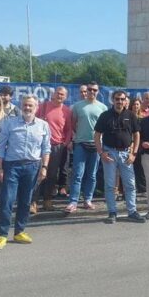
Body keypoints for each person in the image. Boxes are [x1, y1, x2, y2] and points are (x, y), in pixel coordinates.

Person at [0, 95, 51, 250]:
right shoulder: (9, 123)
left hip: (33, 166)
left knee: (26, 201)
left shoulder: (43, 125)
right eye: (25, 105)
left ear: (36, 107)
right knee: (7, 200)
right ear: (21, 106)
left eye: (31, 105)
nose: (27, 108)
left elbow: (46, 149)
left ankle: (19, 232)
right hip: (12, 166)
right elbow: (0, 147)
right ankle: (2, 235)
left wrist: (44, 167)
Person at [95, 90, 146, 223]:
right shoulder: (105, 115)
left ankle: (132, 211)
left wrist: (134, 153)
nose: (119, 101)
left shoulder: (131, 115)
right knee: (110, 185)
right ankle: (112, 213)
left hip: (126, 154)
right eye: (117, 99)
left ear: (125, 101)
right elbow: (97, 135)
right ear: (113, 100)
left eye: (122, 99)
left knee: (130, 184)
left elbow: (137, 134)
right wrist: (101, 153)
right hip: (109, 153)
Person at [66, 82, 108, 213]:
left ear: (98, 91)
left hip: (96, 145)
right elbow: (73, 124)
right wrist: (79, 136)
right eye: (89, 89)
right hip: (80, 144)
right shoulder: (77, 106)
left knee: (92, 175)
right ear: (87, 90)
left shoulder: (103, 107)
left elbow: (105, 128)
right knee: (77, 174)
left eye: (94, 90)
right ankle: (73, 202)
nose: (92, 92)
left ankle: (88, 200)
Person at [33, 86, 72, 213]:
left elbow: (69, 129)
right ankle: (33, 202)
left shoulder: (67, 111)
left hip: (56, 147)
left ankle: (47, 201)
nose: (59, 96)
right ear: (53, 94)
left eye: (62, 94)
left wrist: (65, 143)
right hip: (40, 146)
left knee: (52, 175)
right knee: (38, 174)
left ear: (65, 97)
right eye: (58, 93)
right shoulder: (42, 106)